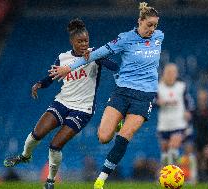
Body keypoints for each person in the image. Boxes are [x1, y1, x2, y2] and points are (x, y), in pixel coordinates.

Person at [49, 2, 164, 189]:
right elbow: (95, 54)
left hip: (145, 95)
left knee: (125, 135)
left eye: (155, 26)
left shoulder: (159, 36)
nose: (152, 29)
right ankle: (118, 122)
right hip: (122, 92)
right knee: (103, 137)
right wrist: (67, 68)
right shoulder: (125, 39)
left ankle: (101, 179)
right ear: (139, 21)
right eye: (149, 25)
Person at [3, 19, 118, 189]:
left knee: (55, 145)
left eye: (86, 40)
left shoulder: (95, 54)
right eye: (80, 41)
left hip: (82, 109)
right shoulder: (63, 57)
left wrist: (94, 57)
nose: (84, 44)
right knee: (37, 133)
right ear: (72, 41)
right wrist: (40, 84)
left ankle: (50, 181)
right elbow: (52, 76)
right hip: (62, 103)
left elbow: (114, 66)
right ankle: (25, 156)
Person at [156, 63, 193, 165]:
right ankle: (165, 174)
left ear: (176, 74)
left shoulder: (181, 86)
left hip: (179, 123)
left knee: (173, 146)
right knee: (165, 150)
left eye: (173, 72)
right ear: (164, 73)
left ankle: (175, 172)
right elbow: (152, 102)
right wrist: (158, 102)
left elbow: (188, 100)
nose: (171, 75)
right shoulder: (158, 87)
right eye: (168, 72)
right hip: (164, 124)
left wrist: (188, 111)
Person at [192, 89, 208, 154]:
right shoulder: (194, 112)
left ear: (207, 100)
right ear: (198, 100)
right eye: (201, 100)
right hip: (197, 141)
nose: (203, 102)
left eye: (205, 100)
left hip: (207, 141)